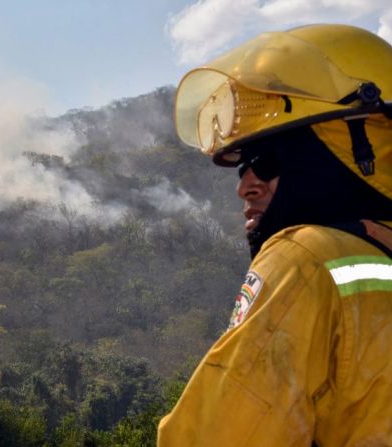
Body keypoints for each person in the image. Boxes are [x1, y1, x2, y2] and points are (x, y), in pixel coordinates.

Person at [157, 24, 392, 446]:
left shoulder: (306, 258)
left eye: (267, 160)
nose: (245, 185)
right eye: (243, 167)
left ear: (348, 146)